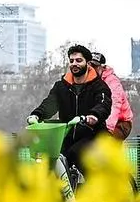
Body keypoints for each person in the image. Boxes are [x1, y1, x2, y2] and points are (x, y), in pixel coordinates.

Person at [28, 45, 111, 175]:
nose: (74, 64)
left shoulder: (99, 86)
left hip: (92, 135)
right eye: (71, 61)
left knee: (76, 153)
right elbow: (49, 103)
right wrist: (37, 114)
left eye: (79, 60)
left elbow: (103, 104)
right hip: (66, 135)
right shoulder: (61, 86)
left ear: (88, 63)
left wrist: (93, 116)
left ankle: (92, 192)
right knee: (50, 156)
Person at [90, 52, 133, 140]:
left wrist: (108, 130)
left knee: (105, 143)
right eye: (89, 66)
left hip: (121, 122)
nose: (92, 69)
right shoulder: (90, 81)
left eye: (95, 66)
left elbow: (114, 105)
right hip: (100, 119)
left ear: (102, 67)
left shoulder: (112, 82)